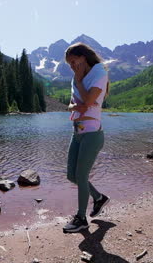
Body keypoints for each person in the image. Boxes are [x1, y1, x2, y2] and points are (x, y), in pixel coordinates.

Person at [63, 42, 110, 233]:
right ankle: (99, 198)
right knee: (71, 175)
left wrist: (80, 82)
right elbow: (73, 104)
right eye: (69, 64)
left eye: (74, 61)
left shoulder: (99, 73)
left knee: (81, 176)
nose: (73, 66)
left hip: (92, 135)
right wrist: (75, 105)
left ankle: (81, 218)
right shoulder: (76, 78)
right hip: (77, 133)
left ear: (83, 57)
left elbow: (88, 103)